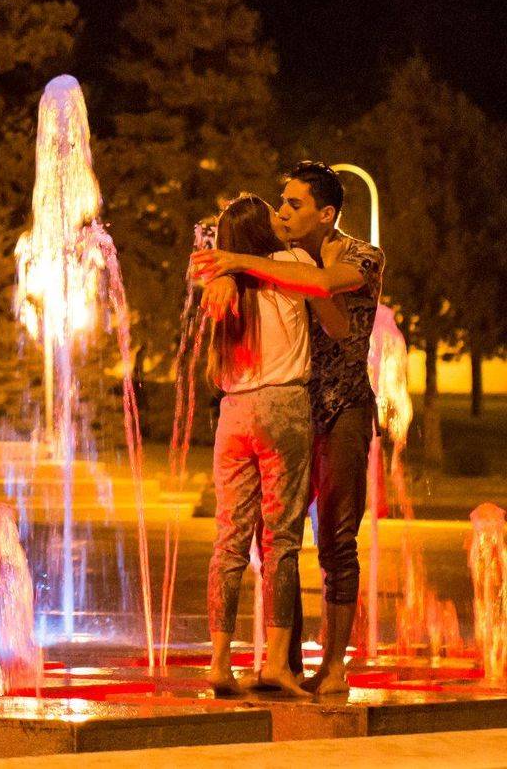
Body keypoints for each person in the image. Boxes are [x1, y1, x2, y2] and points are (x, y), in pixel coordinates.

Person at [193, 161, 384, 695]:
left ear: (326, 214)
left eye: (294, 205)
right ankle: (286, 662)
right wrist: (228, 271)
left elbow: (324, 287)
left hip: (341, 408)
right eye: (280, 203)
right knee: (274, 538)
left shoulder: (361, 256)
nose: (282, 212)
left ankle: (334, 665)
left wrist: (234, 263)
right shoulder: (278, 258)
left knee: (336, 539)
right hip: (291, 410)